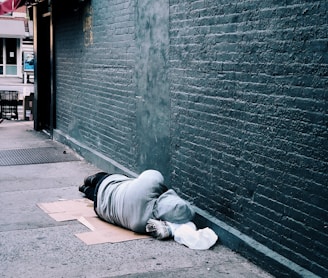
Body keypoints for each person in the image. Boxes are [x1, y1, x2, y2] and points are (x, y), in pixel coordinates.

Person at [79, 169, 218, 249]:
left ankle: (87, 182)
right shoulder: (142, 224)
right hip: (100, 208)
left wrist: (164, 191)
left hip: (108, 183)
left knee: (97, 179)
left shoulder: (149, 185)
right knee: (92, 193)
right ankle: (85, 189)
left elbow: (152, 173)